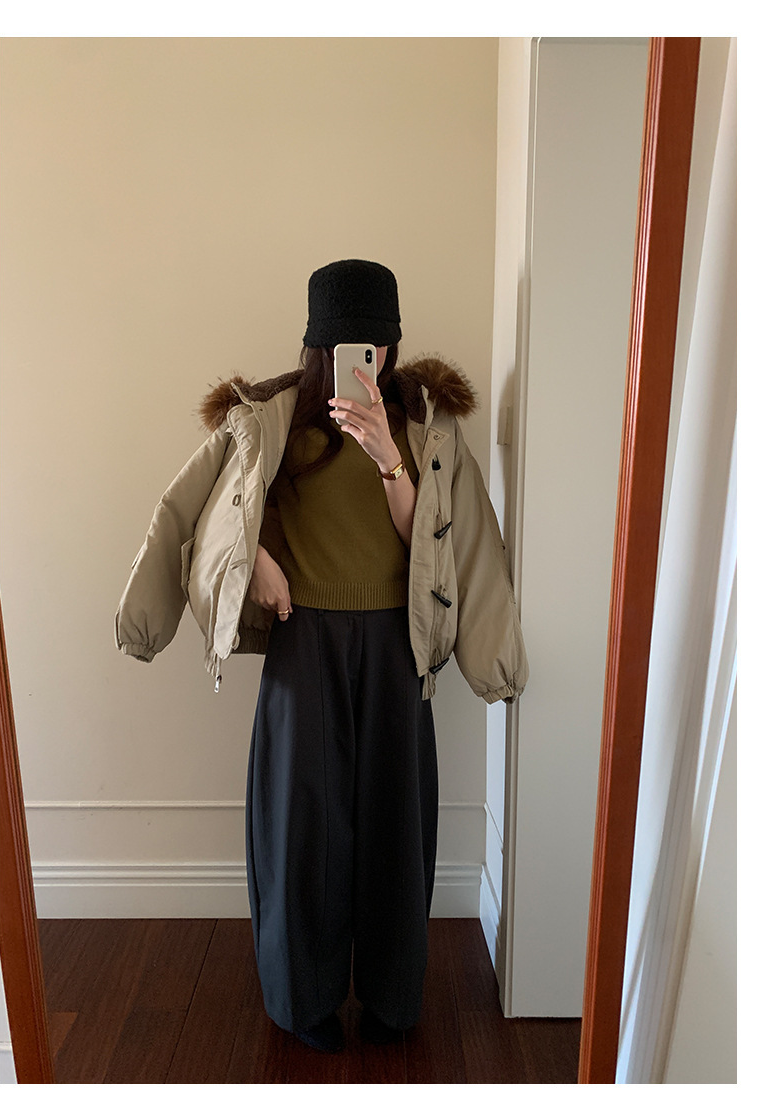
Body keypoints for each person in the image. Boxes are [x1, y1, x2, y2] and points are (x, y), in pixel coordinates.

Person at [115, 259, 529, 1054]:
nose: (366, 359)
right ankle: (303, 998)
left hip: (398, 645)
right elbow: (195, 516)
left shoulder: (425, 429)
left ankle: (392, 999)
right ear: (318, 349)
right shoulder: (267, 420)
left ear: (393, 344)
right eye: (348, 347)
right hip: (302, 641)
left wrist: (387, 458)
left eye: (377, 345)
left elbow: (459, 545)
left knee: (395, 827)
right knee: (298, 828)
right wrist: (255, 566)